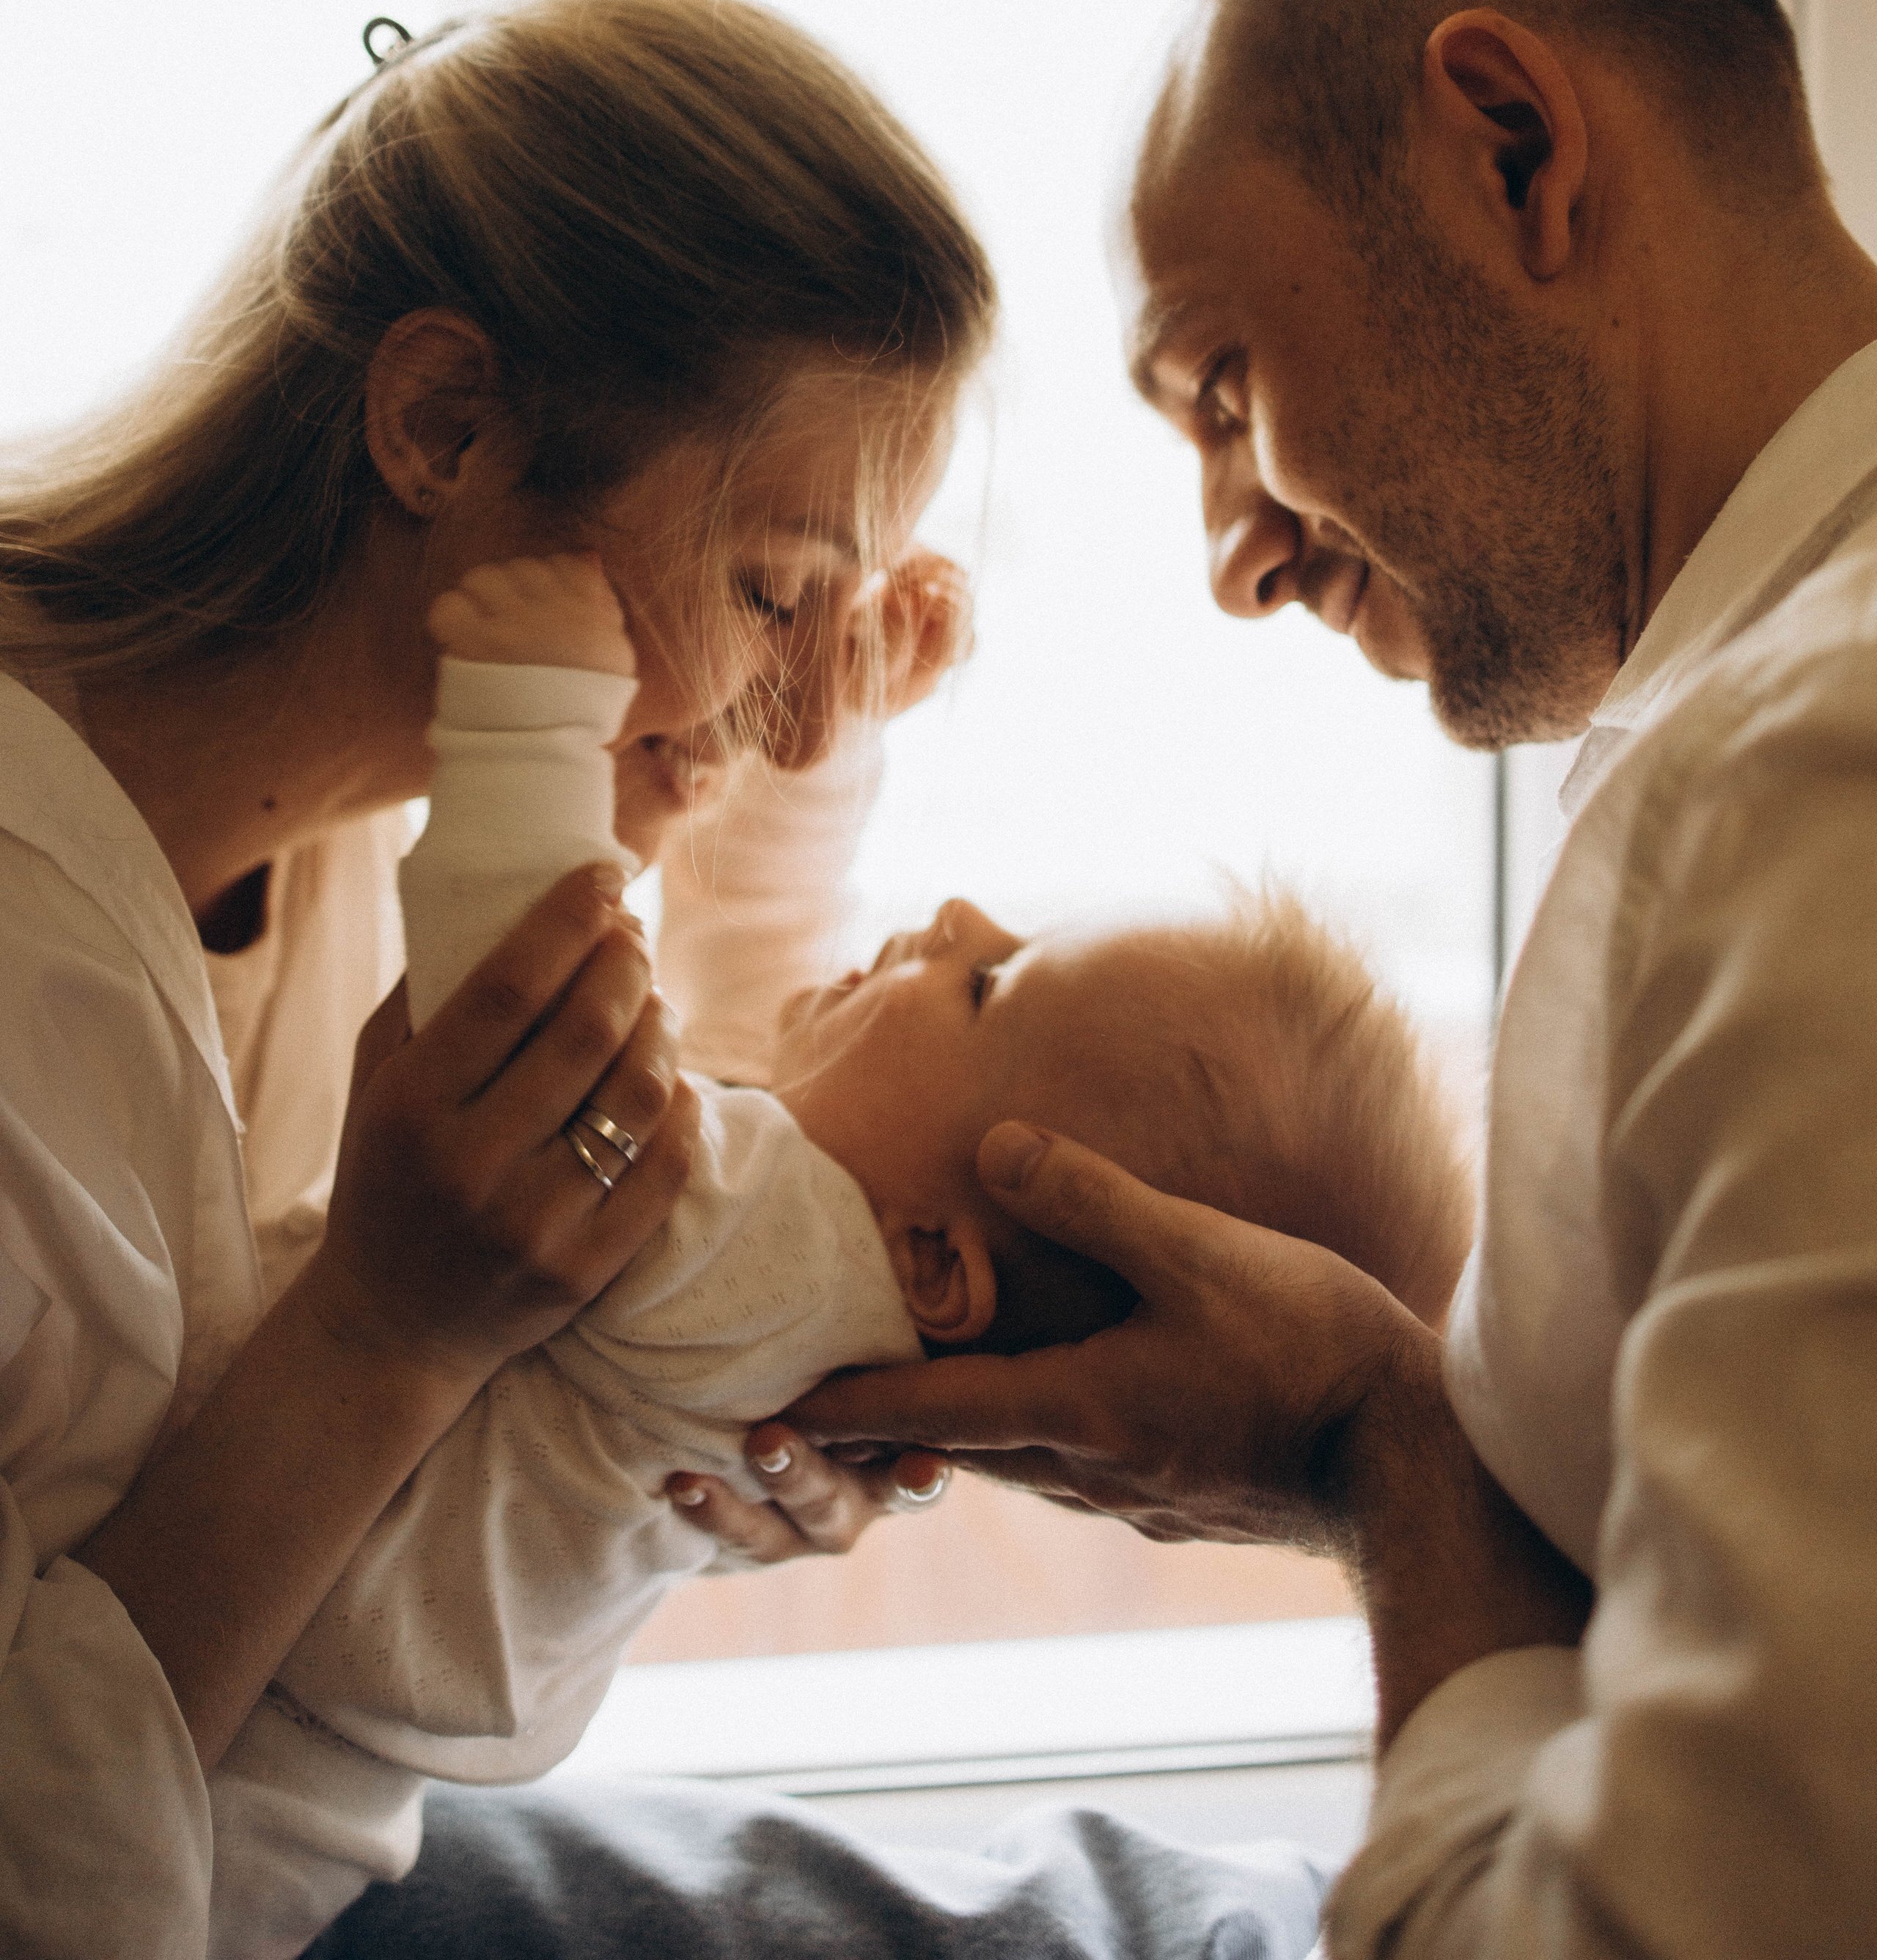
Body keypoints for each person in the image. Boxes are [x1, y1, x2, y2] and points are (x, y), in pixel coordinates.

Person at [801, 0, 1877, 1952]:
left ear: (1512, 148)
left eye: (1221, 383)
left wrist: (1377, 1441)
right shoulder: (1741, 745)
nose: (1236, 553)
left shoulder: (1803, 795)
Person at [0, 0, 998, 1958]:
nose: (791, 724)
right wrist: (391, 1333)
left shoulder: (372, 855)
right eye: (771, 592)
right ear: (445, 423)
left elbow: (675, 1104)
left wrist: (712, 1374)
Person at [221, 542, 1467, 1960]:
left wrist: (532, 715)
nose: (952, 916)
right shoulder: (816, 1288)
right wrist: (823, 748)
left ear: (937, 1261)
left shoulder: (764, 1252)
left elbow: (514, 1031)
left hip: (233, 1755)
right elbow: (764, 1024)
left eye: (990, 984)